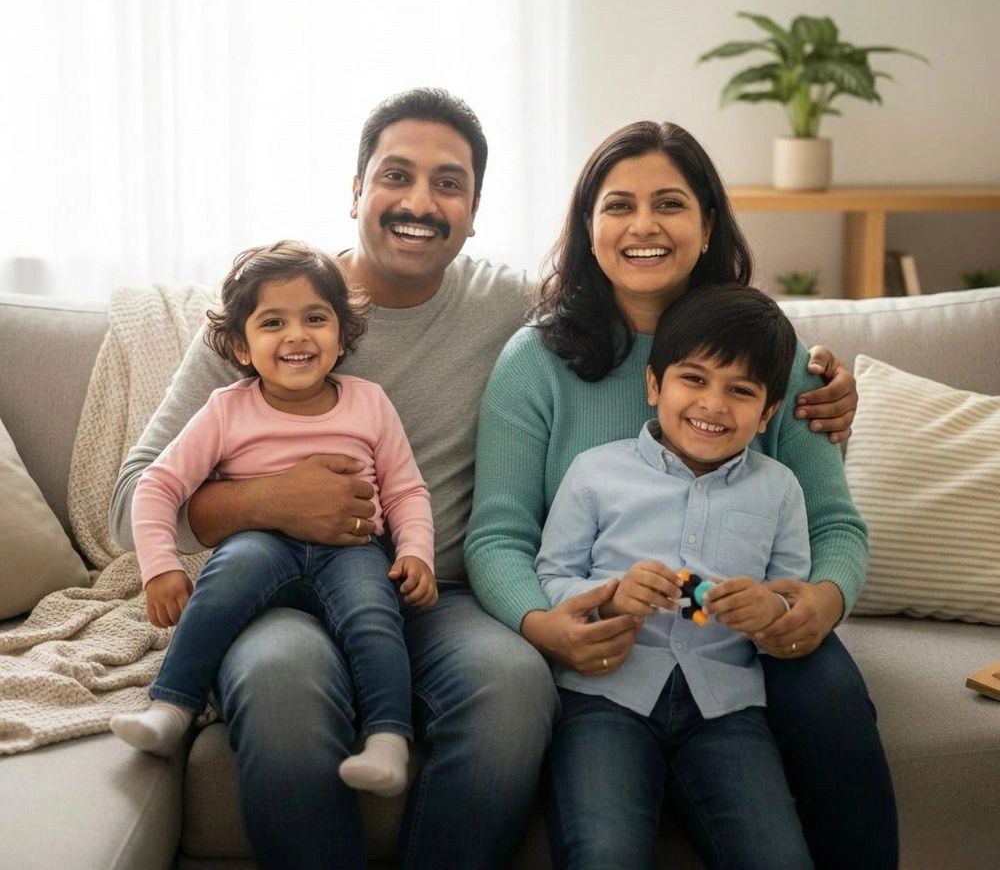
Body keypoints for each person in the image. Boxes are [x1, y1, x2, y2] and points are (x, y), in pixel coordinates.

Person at [110, 91, 860, 869]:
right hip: (281, 592)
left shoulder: (515, 310)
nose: (419, 202)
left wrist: (821, 382)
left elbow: (701, 341)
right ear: (356, 190)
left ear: (474, 211)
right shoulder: (271, 312)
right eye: (395, 175)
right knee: (280, 686)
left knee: (513, 690)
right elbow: (126, 500)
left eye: (448, 183)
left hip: (443, 593)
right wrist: (269, 501)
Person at [465, 120, 897, 868]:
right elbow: (499, 535)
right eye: (618, 205)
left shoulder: (771, 350)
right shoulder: (534, 359)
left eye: (669, 203)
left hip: (734, 647)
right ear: (587, 227)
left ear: (706, 226)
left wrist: (816, 604)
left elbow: (832, 521)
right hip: (605, 653)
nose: (643, 226)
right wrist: (544, 624)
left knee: (826, 690)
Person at [110, 241, 435, 799]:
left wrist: (416, 554)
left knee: (375, 614)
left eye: (316, 318)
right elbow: (158, 485)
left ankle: (387, 741)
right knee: (226, 578)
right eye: (273, 322)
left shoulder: (369, 401)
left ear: (341, 332)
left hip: (353, 548)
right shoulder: (226, 409)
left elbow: (406, 489)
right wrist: (159, 567)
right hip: (259, 544)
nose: (297, 335)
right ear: (240, 344)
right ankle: (171, 707)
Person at [536, 283, 813, 867]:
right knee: (603, 853)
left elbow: (793, 592)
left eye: (740, 391)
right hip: (604, 699)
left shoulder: (780, 489)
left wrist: (771, 614)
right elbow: (553, 577)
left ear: (767, 414)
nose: (713, 405)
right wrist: (610, 598)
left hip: (728, 709)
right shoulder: (594, 473)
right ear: (654, 385)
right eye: (694, 379)